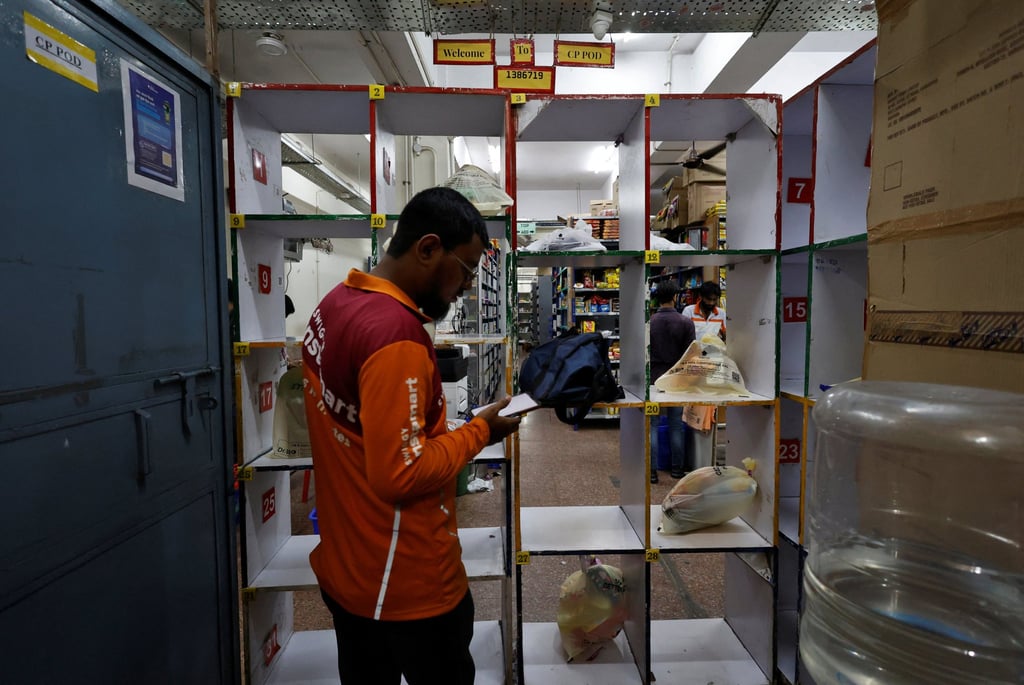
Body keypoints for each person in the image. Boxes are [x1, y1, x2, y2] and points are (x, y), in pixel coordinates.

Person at [301, 186, 523, 685]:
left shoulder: (335, 304)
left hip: (347, 571)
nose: (467, 288)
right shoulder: (395, 337)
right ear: (427, 249)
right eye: (465, 270)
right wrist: (479, 432)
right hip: (408, 583)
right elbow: (402, 473)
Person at [649, 280, 695, 483]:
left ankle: (651, 472)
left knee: (652, 424)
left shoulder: (650, 322)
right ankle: (677, 469)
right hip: (676, 379)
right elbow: (691, 356)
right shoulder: (686, 322)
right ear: (675, 297)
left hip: (654, 379)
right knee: (676, 423)